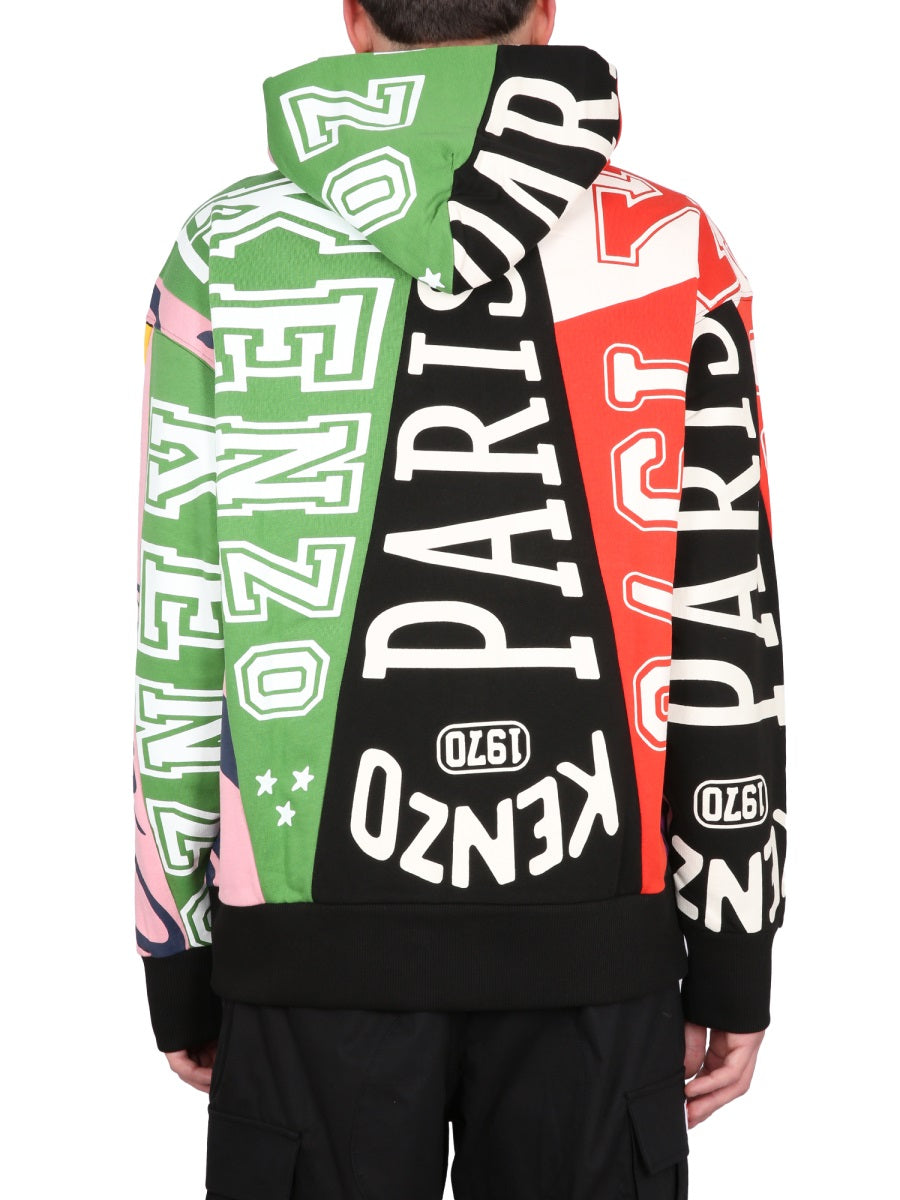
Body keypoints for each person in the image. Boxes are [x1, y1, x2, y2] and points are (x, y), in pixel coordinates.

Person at [133, 1, 787, 1195]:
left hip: (308, 956)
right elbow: (724, 621)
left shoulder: (227, 252)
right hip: (596, 945)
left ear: (353, 16)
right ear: (545, 11)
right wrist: (736, 938)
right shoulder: (672, 250)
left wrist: (175, 943)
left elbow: (180, 617)